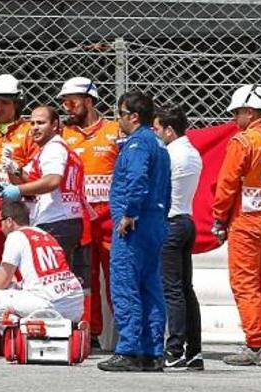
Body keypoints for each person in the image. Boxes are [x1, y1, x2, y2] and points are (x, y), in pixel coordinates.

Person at [213, 85, 261, 367]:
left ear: (249, 111)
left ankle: (254, 344)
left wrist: (219, 216)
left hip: (246, 221)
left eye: (237, 114)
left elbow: (227, 184)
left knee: (245, 284)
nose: (235, 119)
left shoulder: (242, 142)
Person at [98, 91, 171, 373]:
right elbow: (165, 186)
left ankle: (128, 349)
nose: (119, 119)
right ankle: (153, 352)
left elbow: (137, 179)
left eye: (121, 114)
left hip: (135, 224)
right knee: (151, 286)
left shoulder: (137, 144)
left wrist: (129, 213)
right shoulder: (159, 144)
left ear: (134, 116)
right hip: (155, 221)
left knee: (126, 285)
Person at [59, 77, 121, 347]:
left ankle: (125, 334)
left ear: (89, 100)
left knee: (116, 274)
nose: (67, 108)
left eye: (72, 101)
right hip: (79, 215)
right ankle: (91, 333)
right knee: (84, 277)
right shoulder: (63, 134)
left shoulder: (115, 130)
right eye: (64, 103)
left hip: (110, 215)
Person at [0, 106, 86, 269]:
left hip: (56, 220)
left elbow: (52, 180)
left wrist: (18, 191)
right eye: (32, 123)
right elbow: (27, 180)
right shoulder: (52, 149)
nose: (34, 128)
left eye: (41, 123)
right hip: (64, 219)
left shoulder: (54, 149)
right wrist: (12, 167)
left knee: (49, 274)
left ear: (54, 125)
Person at [0, 200, 83, 328]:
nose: (1, 228)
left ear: (9, 221)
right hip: (75, 305)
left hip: (49, 305)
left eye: (0, 222)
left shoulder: (15, 236)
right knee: (13, 288)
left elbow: (1, 283)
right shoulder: (46, 234)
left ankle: (18, 333)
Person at [153, 104, 204, 371]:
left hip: (171, 222)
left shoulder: (169, 154)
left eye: (158, 128)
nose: (155, 133)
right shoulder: (192, 152)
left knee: (172, 290)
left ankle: (174, 351)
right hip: (187, 219)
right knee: (186, 290)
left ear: (169, 131)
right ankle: (194, 352)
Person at [0, 74, 39, 184]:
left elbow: (35, 173)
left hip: (18, 195)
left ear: (17, 104)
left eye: (5, 102)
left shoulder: (30, 131)